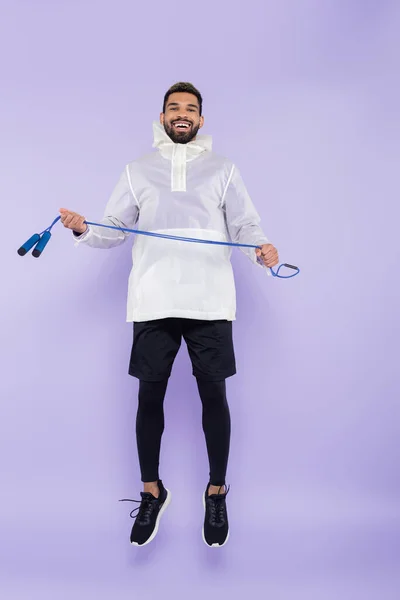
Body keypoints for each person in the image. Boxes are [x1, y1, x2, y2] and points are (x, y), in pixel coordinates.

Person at [60, 82, 279, 548]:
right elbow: (115, 228)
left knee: (214, 398)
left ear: (201, 121)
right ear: (162, 118)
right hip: (154, 299)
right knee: (148, 399)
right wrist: (83, 229)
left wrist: (262, 248)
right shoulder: (137, 170)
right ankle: (152, 491)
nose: (182, 114)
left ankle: (216, 491)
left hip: (210, 301)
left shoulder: (224, 169)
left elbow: (245, 224)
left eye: (191, 109)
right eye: (174, 108)